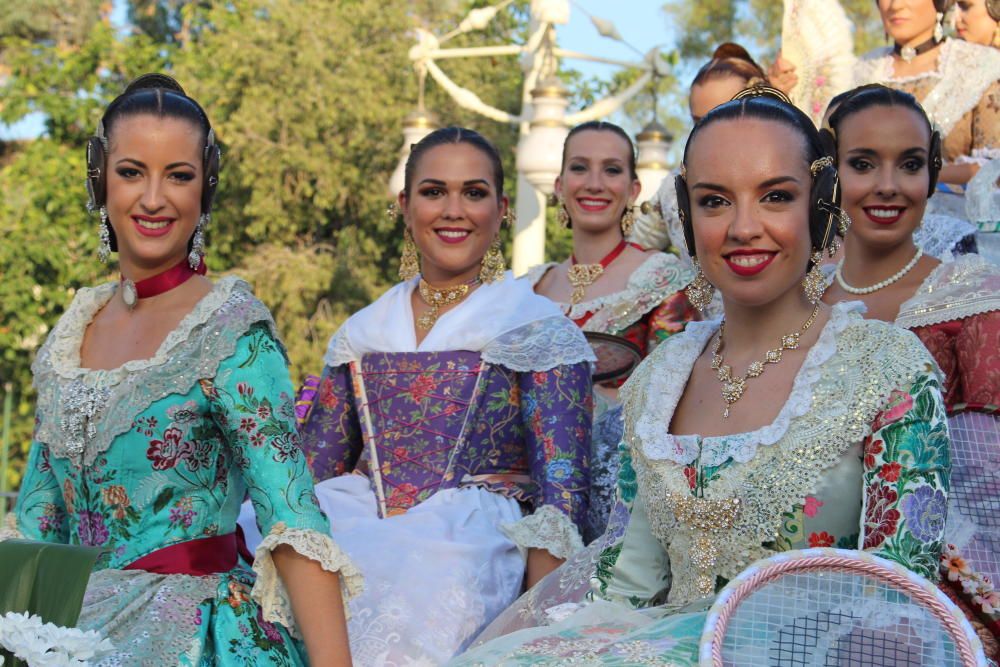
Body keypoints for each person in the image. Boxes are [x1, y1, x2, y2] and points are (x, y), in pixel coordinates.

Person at [448, 89, 950, 666]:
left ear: (818, 206)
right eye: (714, 202)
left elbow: (901, 608)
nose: (742, 227)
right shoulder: (658, 380)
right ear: (688, 219)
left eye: (776, 197)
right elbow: (626, 587)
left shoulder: (890, 372)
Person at [2, 75, 355, 665]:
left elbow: (291, 514)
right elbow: (38, 517)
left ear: (205, 188)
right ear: (100, 180)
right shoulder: (71, 331)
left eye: (180, 176)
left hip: (194, 635)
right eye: (132, 172)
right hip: (62, 629)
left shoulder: (231, 331)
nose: (154, 198)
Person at [240, 127, 595, 665]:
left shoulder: (538, 329)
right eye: (434, 192)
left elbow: (562, 496)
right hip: (359, 514)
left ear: (501, 209)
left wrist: (536, 635)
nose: (454, 210)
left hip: (474, 540)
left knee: (414, 579)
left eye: (473, 193)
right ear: (405, 207)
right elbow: (308, 474)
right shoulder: (364, 330)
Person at [822, 84, 999, 638]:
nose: (889, 186)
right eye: (863, 164)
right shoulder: (793, 297)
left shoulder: (972, 299)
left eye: (911, 164)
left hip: (929, 584)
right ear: (827, 172)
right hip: (780, 567)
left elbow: (987, 481)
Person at [525, 121, 696, 541]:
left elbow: (674, 397)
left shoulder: (662, 279)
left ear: (634, 190)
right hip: (526, 491)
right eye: (580, 168)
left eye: (612, 170)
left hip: (618, 493)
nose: (595, 184)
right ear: (560, 185)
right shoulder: (529, 287)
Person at [650, 43, 769, 309]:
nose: (710, 132)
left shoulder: (801, 175)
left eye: (724, 115)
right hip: (704, 341)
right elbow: (632, 245)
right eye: (699, 121)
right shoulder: (674, 187)